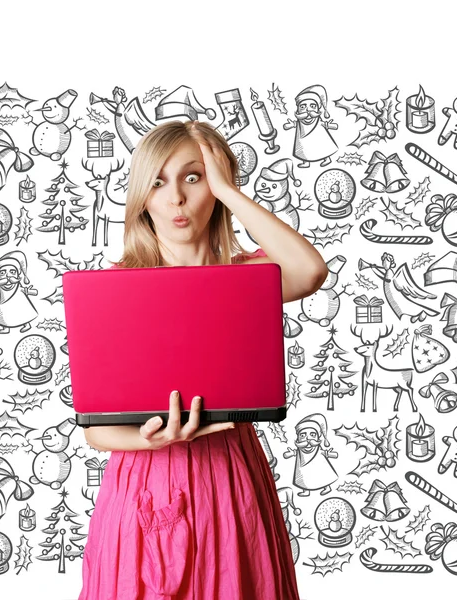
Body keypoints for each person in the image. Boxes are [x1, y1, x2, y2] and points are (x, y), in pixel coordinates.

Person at [79, 120, 328, 600]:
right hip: (144, 480)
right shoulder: (114, 289)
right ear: (142, 197)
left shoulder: (246, 280)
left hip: (228, 476)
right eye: (158, 181)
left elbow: (310, 270)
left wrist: (228, 191)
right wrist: (152, 441)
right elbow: (95, 430)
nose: (175, 197)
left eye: (192, 178)